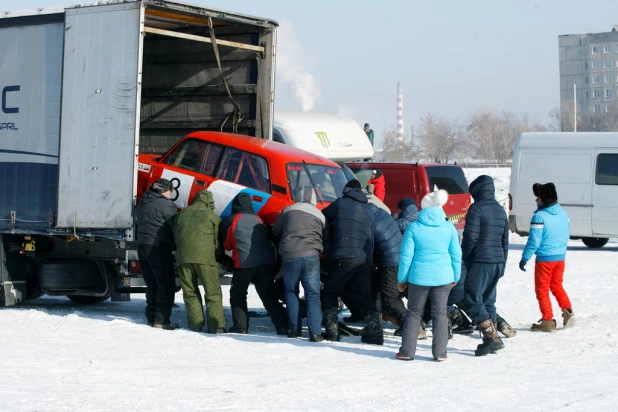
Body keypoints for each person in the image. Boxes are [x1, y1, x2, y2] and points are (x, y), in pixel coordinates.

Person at [395, 189, 461, 362]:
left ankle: (407, 351)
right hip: (443, 277)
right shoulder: (449, 227)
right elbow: (456, 254)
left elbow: (406, 257)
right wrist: (455, 276)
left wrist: (402, 280)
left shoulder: (414, 227)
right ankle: (440, 353)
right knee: (440, 313)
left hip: (419, 278)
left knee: (414, 313)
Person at [322, 179, 383, 345]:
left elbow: (325, 215)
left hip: (344, 255)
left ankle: (332, 331)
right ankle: (376, 332)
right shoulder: (369, 209)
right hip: (364, 259)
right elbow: (370, 236)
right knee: (364, 296)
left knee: (330, 293)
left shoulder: (340, 204)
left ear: (346, 191)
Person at [219, 192, 289, 335]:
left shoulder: (233, 219)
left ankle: (241, 327)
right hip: (265, 263)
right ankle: (283, 325)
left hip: (244, 264)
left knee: (238, 294)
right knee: (268, 295)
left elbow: (226, 244)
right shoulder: (259, 219)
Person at [461, 175, 509, 356]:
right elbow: (505, 240)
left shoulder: (477, 208)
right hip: (497, 261)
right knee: (488, 300)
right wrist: (502, 263)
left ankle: (491, 337)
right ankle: (491, 338)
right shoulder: (500, 209)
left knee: (472, 298)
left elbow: (470, 238)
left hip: (482, 260)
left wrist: (465, 257)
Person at [272, 186, 326, 342]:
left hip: (290, 256)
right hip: (311, 256)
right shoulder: (320, 216)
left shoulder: (288, 210)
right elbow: (324, 235)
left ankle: (294, 330)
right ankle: (315, 333)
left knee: (291, 292)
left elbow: (276, 230)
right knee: (313, 295)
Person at [520, 183, 575, 332]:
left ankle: (547, 321)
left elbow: (534, 241)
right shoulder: (564, 213)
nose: (536, 201)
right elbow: (566, 233)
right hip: (560, 257)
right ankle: (568, 312)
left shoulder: (539, 216)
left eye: (538, 198)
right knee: (556, 285)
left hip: (545, 259)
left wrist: (525, 258)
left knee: (542, 289)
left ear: (544, 199)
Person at [174, 190, 226, 334]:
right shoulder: (212, 216)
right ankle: (216, 326)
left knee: (190, 292)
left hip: (183, 259)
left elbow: (176, 237)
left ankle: (195, 324)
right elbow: (217, 242)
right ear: (210, 202)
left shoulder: (181, 214)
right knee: (212, 292)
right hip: (205, 259)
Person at [136, 178, 178, 329]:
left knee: (152, 284)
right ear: (163, 191)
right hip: (158, 247)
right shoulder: (166, 205)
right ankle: (162, 321)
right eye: (169, 192)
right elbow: (175, 227)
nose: (170, 195)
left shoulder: (143, 203)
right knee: (165, 284)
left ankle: (151, 317)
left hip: (142, 246)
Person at [369, 203, 406, 335]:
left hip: (390, 261)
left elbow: (369, 245)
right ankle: (374, 324)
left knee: (390, 298)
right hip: (396, 258)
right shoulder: (381, 213)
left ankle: (410, 326)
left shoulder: (370, 220)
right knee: (375, 288)